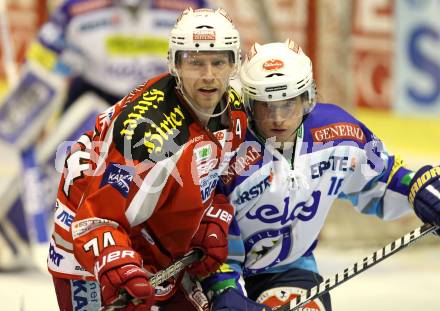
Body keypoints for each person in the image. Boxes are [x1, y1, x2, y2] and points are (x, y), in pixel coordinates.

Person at [202, 39, 440, 311]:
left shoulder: (340, 131)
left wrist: (418, 187)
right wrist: (220, 286)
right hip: (212, 269)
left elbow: (385, 174)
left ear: (307, 99)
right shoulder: (225, 148)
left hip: (287, 266)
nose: (278, 118)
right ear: (249, 104)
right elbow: (200, 230)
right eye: (267, 105)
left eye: (287, 103)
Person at [48, 7, 247, 311]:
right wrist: (119, 268)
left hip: (147, 232)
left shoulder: (233, 109)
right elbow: (94, 220)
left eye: (218, 62)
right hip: (84, 248)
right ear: (174, 64)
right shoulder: (148, 139)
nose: (208, 76)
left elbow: (214, 178)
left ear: (234, 63)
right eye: (195, 63)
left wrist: (210, 218)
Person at [0, 0, 211, 270]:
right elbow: (43, 69)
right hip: (97, 107)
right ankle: (16, 229)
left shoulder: (193, 9)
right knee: (77, 147)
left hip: (166, 109)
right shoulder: (75, 10)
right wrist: (24, 117)